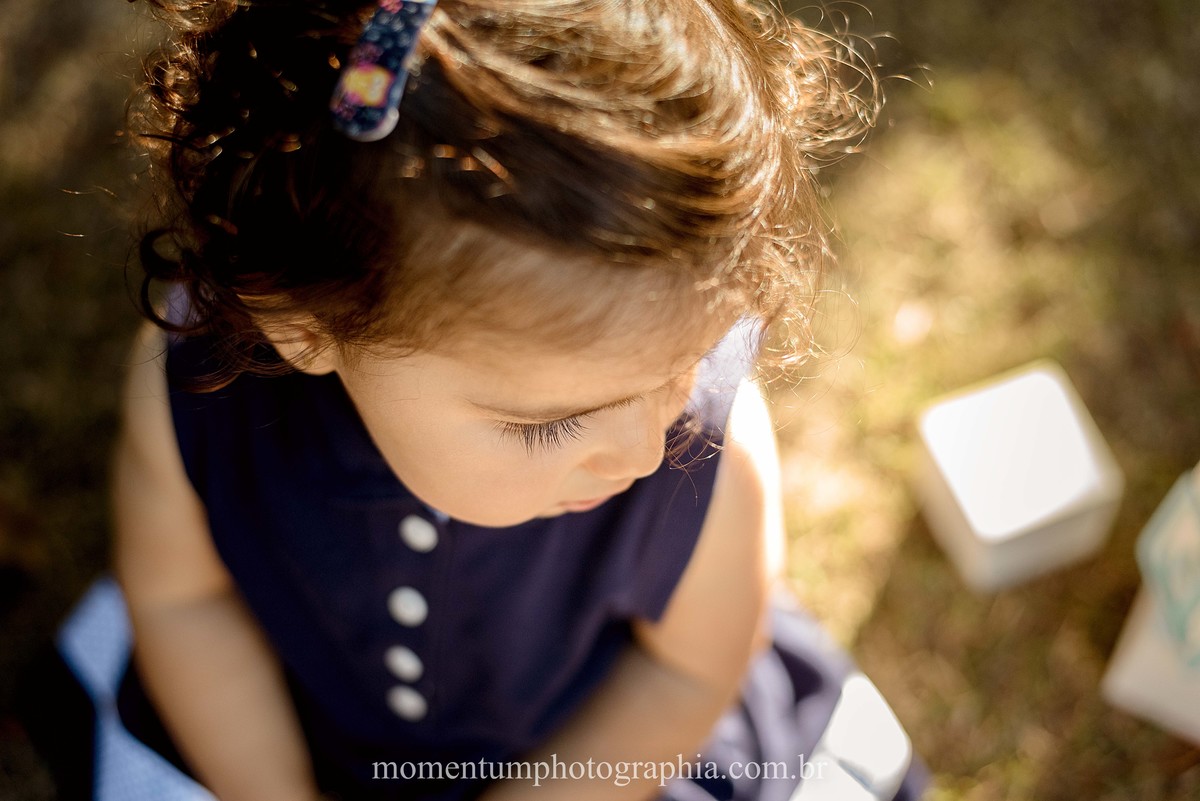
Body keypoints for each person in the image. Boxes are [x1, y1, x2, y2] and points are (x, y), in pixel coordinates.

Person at [74, 0, 927, 799]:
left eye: (685, 364)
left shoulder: (712, 450)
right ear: (310, 328)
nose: (641, 453)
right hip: (281, 732)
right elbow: (185, 602)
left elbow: (685, 674)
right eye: (550, 421)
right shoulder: (198, 396)